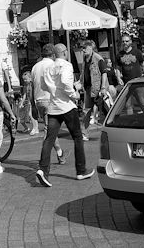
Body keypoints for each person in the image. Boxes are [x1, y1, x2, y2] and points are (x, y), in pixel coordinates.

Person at [35, 44, 93, 187]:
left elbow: (43, 86)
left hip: (54, 107)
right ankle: (81, 170)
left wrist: (55, 90)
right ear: (64, 52)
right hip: (66, 106)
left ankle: (43, 169)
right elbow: (66, 83)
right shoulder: (66, 65)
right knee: (77, 137)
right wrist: (74, 94)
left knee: (49, 139)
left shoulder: (49, 68)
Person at [80, 40, 109, 130]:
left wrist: (103, 87)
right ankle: (84, 133)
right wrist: (80, 82)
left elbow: (104, 73)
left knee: (104, 109)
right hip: (88, 88)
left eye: (85, 48)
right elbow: (84, 72)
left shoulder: (98, 58)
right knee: (86, 111)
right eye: (82, 48)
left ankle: (110, 127)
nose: (83, 50)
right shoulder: (85, 58)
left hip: (98, 89)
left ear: (90, 48)